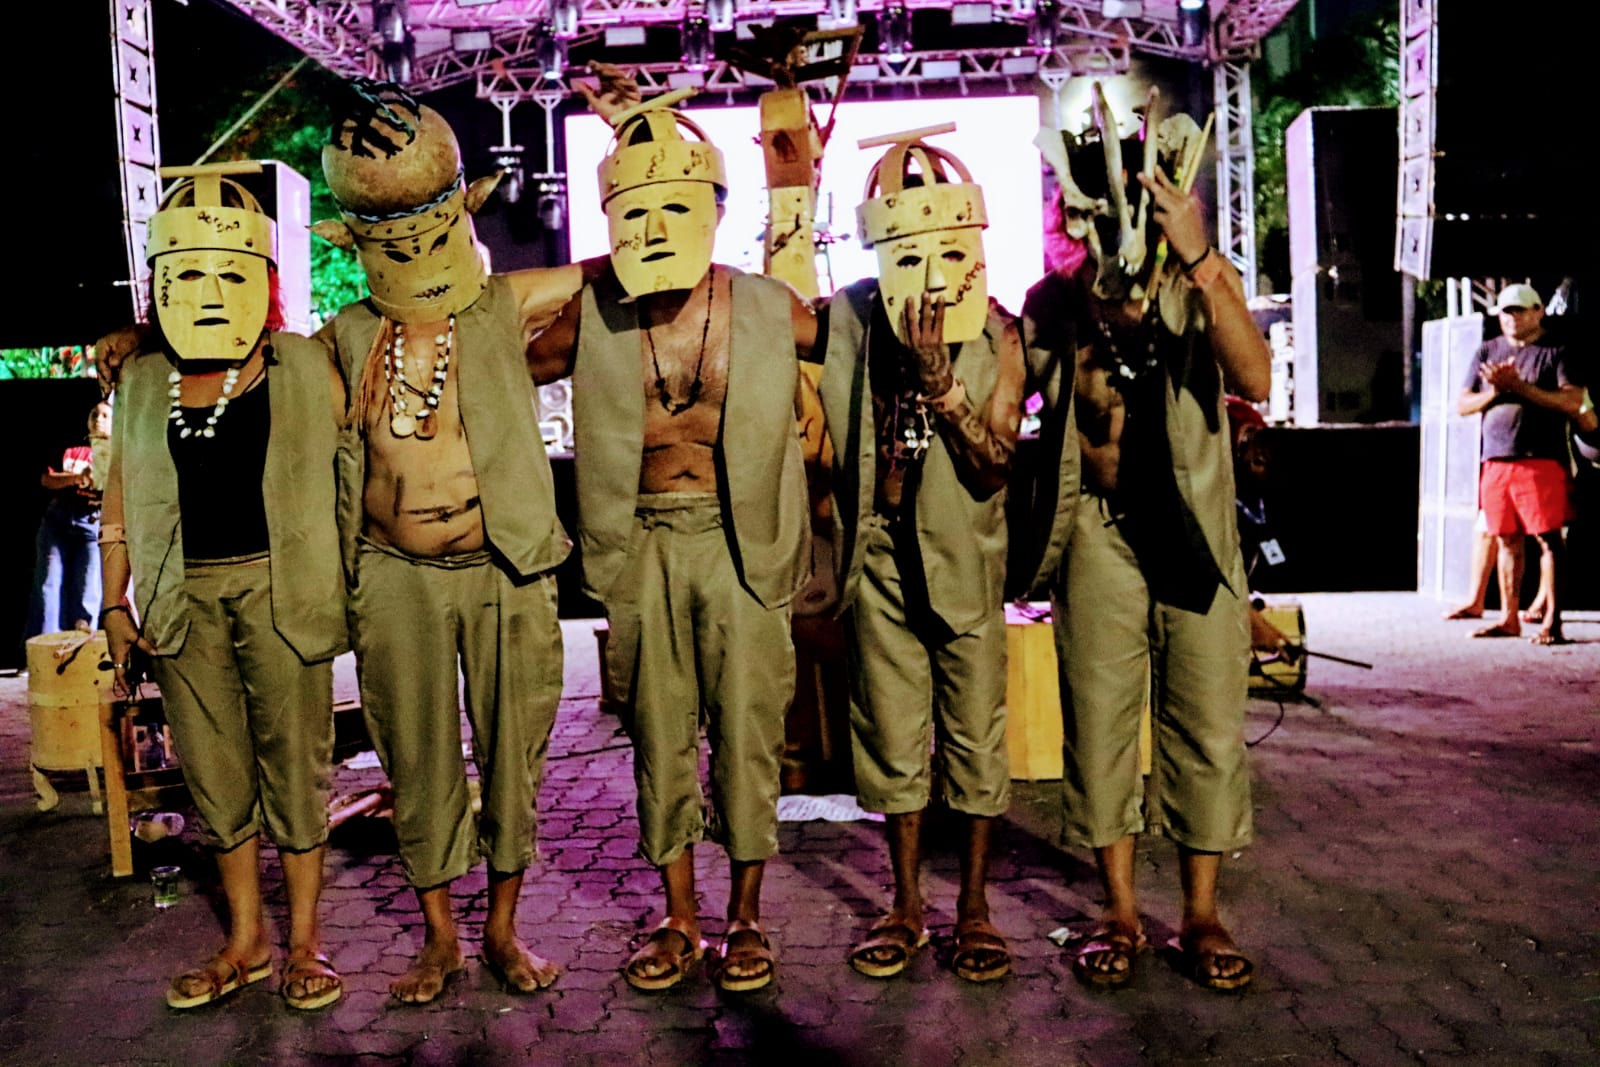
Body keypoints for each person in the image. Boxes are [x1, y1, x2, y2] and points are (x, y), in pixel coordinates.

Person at [313, 71, 634, 1004]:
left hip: (504, 567)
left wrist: (635, 142)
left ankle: (502, 930)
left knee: (513, 755)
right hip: (395, 574)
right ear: (360, 241)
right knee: (415, 758)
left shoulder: (501, 305)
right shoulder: (346, 336)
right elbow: (258, 366)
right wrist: (140, 339)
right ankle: (440, 939)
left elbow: (621, 264)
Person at [527, 93, 812, 994]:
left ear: (716, 212)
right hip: (640, 537)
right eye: (633, 212)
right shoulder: (598, 311)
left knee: (748, 731)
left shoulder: (764, 305)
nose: (654, 230)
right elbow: (505, 356)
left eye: (675, 209)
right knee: (659, 734)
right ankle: (680, 915)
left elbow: (855, 347)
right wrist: (586, 270)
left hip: (740, 540)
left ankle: (747, 916)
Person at [1031, 88, 1271, 991]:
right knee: (1098, 724)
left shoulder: (1197, 282)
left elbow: (1256, 377)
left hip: (1191, 525)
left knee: (1206, 720)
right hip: (1099, 531)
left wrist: (1199, 255)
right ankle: (1120, 910)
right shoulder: (1056, 303)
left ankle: (1201, 914)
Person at [100, 166, 347, 1011]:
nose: (210, 292)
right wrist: (114, 602)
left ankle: (307, 943)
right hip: (181, 597)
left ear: (264, 280)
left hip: (282, 590)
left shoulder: (300, 363)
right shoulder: (144, 379)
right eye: (188, 275)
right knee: (214, 770)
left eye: (232, 274)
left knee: (295, 766)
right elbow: (121, 498)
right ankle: (246, 941)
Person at [818, 131, 1025, 983]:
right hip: (880, 555)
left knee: (974, 737)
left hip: (963, 560)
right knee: (892, 736)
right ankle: (906, 903)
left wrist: (943, 385)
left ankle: (973, 906)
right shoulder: (853, 317)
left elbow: (996, 463)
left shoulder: (997, 332)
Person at [1456, 284, 1584, 644]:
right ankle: (1509, 618)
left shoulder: (1556, 351)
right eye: (1506, 312)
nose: (1513, 318)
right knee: (1506, 540)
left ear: (1539, 311)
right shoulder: (1488, 350)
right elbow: (1463, 404)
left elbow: (1573, 401)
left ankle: (1552, 622)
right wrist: (1497, 391)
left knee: (1548, 540)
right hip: (1496, 459)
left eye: (1521, 310)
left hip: (1539, 459)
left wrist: (1521, 388)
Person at [27, 401, 110, 638]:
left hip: (92, 522)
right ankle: (45, 643)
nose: (98, 419)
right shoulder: (73, 448)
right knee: (49, 584)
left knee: (89, 587)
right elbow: (47, 479)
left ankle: (82, 645)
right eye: (94, 414)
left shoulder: (119, 452)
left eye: (105, 415)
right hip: (58, 520)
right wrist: (76, 477)